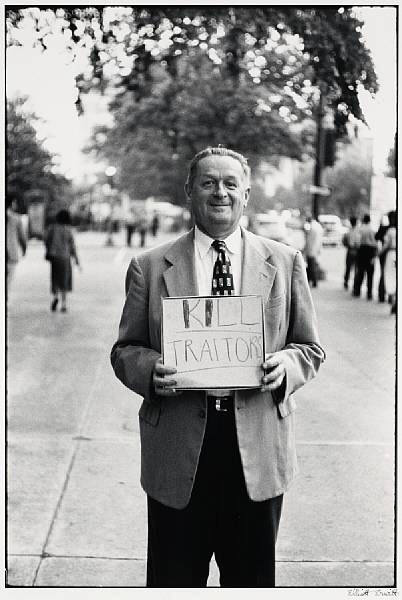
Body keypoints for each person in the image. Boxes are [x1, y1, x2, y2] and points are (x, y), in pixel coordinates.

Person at [111, 146, 325, 587]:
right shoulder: (150, 266)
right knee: (174, 579)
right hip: (178, 448)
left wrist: (286, 365)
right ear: (189, 192)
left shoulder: (284, 262)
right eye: (207, 183)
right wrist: (149, 371)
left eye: (230, 184)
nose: (219, 193)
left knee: (250, 582)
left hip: (256, 449)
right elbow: (125, 349)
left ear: (246, 194)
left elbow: (309, 348)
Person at [44, 208, 80, 313]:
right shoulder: (69, 230)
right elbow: (72, 246)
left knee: (55, 278)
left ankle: (55, 296)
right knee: (64, 280)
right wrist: (77, 260)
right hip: (65, 257)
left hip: (54, 257)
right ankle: (64, 304)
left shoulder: (52, 228)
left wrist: (49, 249)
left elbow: (46, 240)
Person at [352, 213, 377, 300]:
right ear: (369, 220)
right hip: (370, 251)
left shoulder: (360, 229)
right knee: (370, 274)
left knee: (360, 272)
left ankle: (357, 291)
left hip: (361, 251)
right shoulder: (372, 229)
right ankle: (369, 293)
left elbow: (357, 241)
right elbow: (375, 242)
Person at [6, 197, 27, 291]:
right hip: (11, 252)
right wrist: (24, 249)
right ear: (11, 203)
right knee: (8, 279)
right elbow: (22, 237)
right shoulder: (16, 218)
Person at [380, 210, 396, 315]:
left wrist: (379, 253)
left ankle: (393, 299)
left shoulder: (390, 231)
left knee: (390, 276)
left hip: (391, 254)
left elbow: (386, 244)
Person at [303, 214, 323, 288]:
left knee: (311, 266)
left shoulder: (312, 227)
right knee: (312, 266)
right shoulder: (318, 226)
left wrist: (305, 249)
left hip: (311, 249)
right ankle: (313, 281)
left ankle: (313, 281)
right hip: (316, 249)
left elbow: (309, 241)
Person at [375, 214, 390, 302]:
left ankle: (382, 295)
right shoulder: (390, 229)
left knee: (383, 274)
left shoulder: (383, 228)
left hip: (384, 254)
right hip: (387, 253)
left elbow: (377, 237)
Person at [342, 216, 360, 290]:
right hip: (356, 250)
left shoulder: (348, 231)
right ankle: (354, 284)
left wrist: (348, 245)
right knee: (355, 268)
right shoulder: (358, 231)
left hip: (350, 250)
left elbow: (344, 241)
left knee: (348, 268)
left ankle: (346, 282)